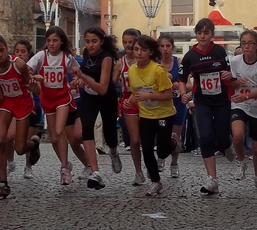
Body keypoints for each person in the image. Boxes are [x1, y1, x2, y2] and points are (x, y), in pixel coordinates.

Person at [0, 33, 43, 200]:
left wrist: (34, 86)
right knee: (0, 140)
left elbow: (33, 88)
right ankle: (3, 183)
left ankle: (34, 143)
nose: (0, 55)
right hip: (6, 104)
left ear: (7, 49)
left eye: (2, 50)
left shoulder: (19, 64)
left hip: (22, 103)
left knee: (20, 148)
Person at [180, 18, 235, 195]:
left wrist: (228, 75)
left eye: (206, 33)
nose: (203, 36)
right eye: (200, 33)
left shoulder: (219, 51)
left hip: (221, 101)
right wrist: (184, 93)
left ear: (212, 34)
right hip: (202, 101)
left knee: (221, 137)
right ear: (196, 34)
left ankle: (227, 145)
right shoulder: (190, 56)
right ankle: (212, 179)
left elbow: (229, 73)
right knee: (205, 137)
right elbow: (182, 79)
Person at [26, 27, 83, 187]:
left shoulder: (67, 57)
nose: (51, 44)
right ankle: (66, 165)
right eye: (49, 40)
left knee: (59, 131)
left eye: (55, 40)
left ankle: (64, 167)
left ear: (61, 41)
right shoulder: (40, 56)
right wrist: (32, 77)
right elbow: (25, 70)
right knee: (54, 137)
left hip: (63, 98)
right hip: (47, 99)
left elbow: (78, 72)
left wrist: (77, 80)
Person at [124, 36, 178, 196]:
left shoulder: (158, 70)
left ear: (151, 52)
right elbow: (136, 92)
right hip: (146, 115)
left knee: (161, 151)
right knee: (146, 148)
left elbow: (168, 95)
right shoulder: (131, 71)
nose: (139, 53)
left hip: (164, 114)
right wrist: (129, 101)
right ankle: (156, 181)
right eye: (136, 49)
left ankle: (174, 143)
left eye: (143, 50)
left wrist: (150, 96)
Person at [71, 26, 121, 189]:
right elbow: (86, 71)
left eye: (94, 41)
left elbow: (102, 88)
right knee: (86, 128)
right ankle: (95, 172)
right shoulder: (85, 52)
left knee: (109, 133)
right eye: (87, 41)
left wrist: (83, 76)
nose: (91, 45)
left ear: (101, 41)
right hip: (89, 97)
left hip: (106, 97)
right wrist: (80, 80)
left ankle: (113, 152)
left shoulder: (106, 58)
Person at [229, 30, 257, 190]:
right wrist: (237, 82)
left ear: (256, 45)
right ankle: (241, 161)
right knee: (237, 135)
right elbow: (232, 84)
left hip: (256, 106)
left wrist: (245, 97)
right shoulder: (235, 61)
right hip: (239, 104)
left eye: (250, 43)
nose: (247, 46)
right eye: (244, 43)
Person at [119, 28, 146, 185]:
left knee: (147, 139)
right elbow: (109, 83)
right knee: (134, 140)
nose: (128, 46)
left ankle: (151, 163)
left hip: (145, 100)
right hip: (129, 102)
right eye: (125, 42)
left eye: (131, 42)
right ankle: (138, 171)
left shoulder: (146, 60)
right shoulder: (120, 63)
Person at [13, 40, 43, 180]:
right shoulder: (11, 67)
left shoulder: (33, 69)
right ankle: (9, 162)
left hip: (33, 107)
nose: (20, 54)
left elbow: (38, 91)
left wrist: (34, 83)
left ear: (29, 53)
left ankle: (28, 166)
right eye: (17, 51)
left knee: (27, 139)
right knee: (9, 137)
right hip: (16, 107)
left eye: (23, 52)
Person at [158, 34, 185, 178]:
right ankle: (161, 158)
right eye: (162, 46)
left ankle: (174, 163)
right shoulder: (155, 64)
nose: (165, 49)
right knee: (162, 135)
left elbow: (188, 83)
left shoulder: (179, 62)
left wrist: (179, 85)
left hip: (177, 104)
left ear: (173, 47)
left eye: (168, 46)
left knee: (175, 137)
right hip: (161, 105)